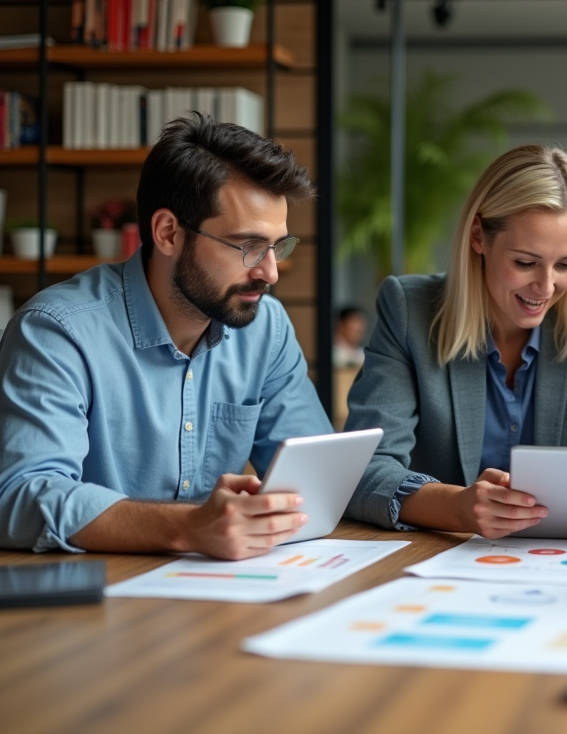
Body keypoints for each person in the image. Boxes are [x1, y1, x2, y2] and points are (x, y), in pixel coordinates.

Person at [0, 114, 332, 559]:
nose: (269, 272)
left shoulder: (266, 329)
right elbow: (21, 497)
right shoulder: (57, 332)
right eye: (249, 246)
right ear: (168, 233)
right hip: (94, 605)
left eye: (278, 246)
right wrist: (190, 527)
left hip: (223, 592)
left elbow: (318, 480)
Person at [344, 144, 567, 540]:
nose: (546, 287)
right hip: (438, 551)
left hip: (564, 556)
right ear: (479, 236)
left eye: (566, 264)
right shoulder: (408, 310)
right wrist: (458, 508)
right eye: (525, 263)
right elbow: (365, 469)